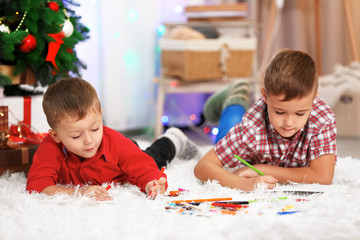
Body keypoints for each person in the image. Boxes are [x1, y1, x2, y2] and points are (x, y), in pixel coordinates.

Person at [26, 77, 200, 200]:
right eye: (76, 135)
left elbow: (143, 168)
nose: (88, 140)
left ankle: (173, 139)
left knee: (153, 157)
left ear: (101, 117)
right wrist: (80, 193)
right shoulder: (50, 147)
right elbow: (36, 186)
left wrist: (151, 185)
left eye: (95, 128)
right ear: (56, 135)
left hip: (124, 156)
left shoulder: (116, 142)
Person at [194, 49, 337, 191]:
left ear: (314, 99)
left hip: (260, 161)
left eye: (300, 114)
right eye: (280, 112)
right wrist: (241, 184)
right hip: (242, 129)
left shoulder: (322, 120)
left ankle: (237, 97)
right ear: (265, 97)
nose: (288, 122)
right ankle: (235, 97)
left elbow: (323, 178)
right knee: (228, 128)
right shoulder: (251, 127)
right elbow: (202, 167)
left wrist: (260, 169)